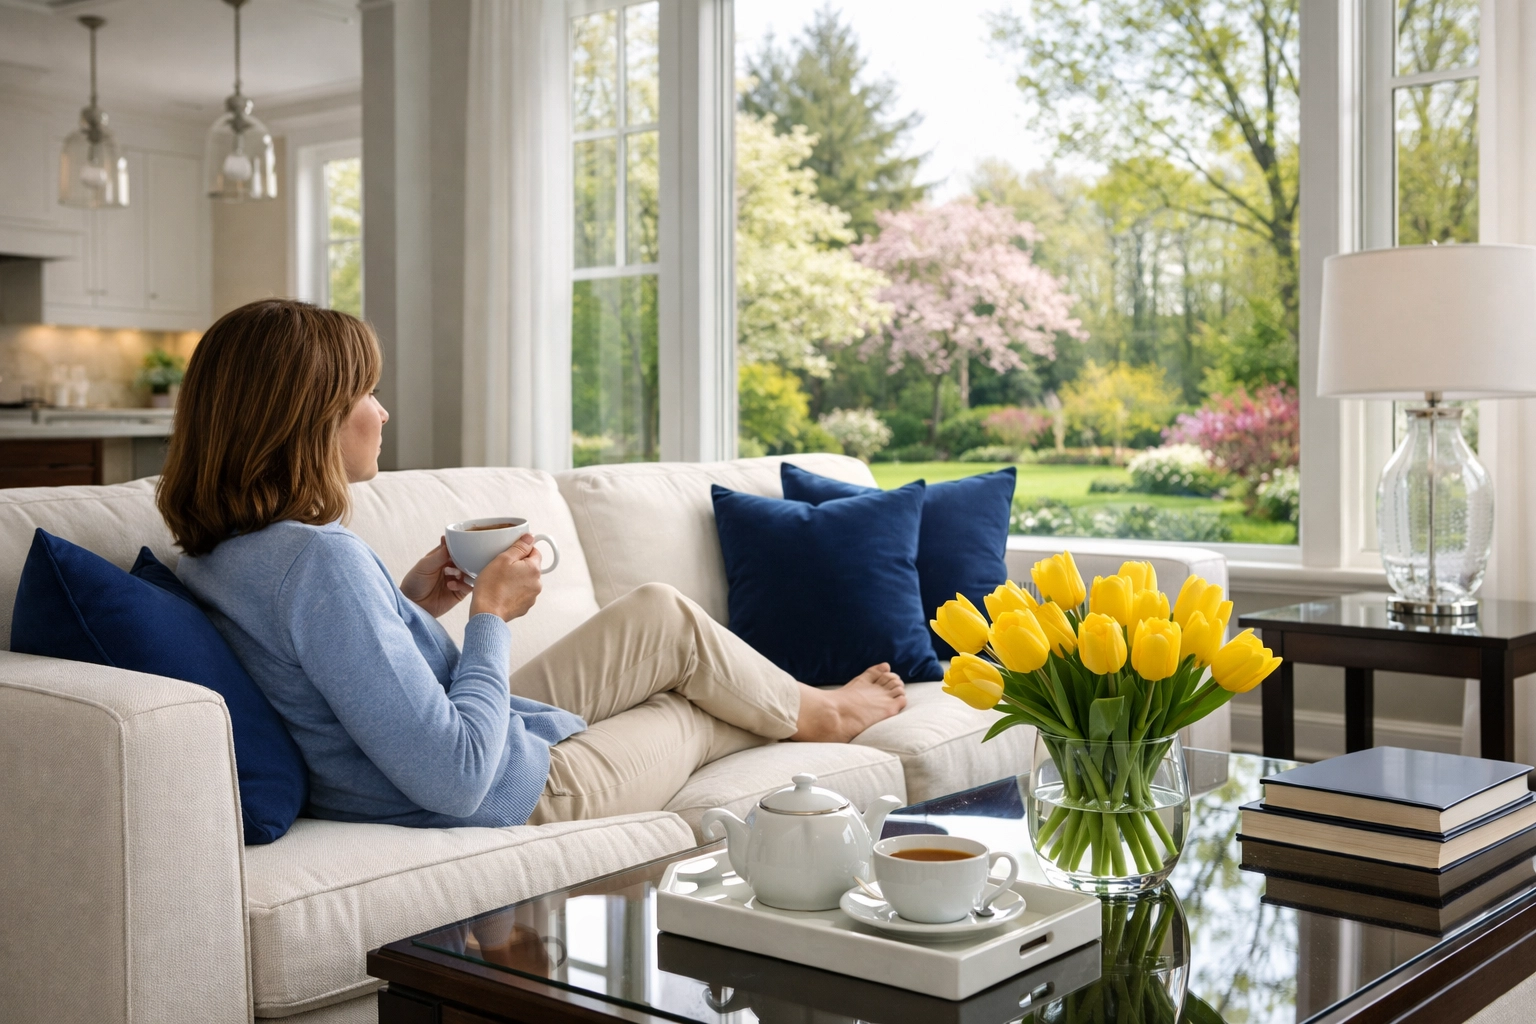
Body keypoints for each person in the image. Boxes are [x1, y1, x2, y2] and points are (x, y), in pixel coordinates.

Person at [159, 299, 905, 829]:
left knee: (661, 613)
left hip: (454, 748)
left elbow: (332, 683)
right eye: (365, 393)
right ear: (306, 417)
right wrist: (490, 617)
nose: (382, 412)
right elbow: (453, 778)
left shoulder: (224, 554)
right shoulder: (317, 559)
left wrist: (412, 604)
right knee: (690, 706)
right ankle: (827, 713)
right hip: (511, 789)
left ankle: (806, 702)